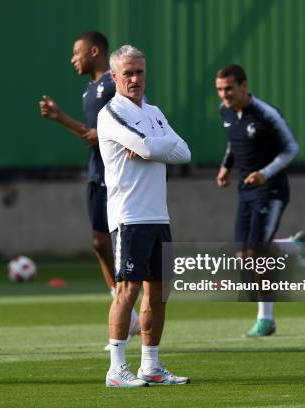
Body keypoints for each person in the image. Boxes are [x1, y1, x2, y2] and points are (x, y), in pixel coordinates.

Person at [98, 45, 191, 387]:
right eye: (128, 74)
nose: (135, 79)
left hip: (158, 216)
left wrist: (151, 144)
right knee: (127, 289)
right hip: (129, 215)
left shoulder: (153, 111)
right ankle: (116, 369)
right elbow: (159, 148)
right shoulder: (111, 113)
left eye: (139, 72)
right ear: (114, 77)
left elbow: (184, 151)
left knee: (159, 292)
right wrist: (155, 145)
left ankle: (150, 365)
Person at [39, 32, 140, 344]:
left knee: (121, 243)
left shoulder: (113, 84)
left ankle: (130, 307)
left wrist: (123, 137)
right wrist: (60, 118)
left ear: (94, 51)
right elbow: (91, 135)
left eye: (77, 52)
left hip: (115, 177)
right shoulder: (91, 90)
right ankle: (121, 302)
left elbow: (139, 110)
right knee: (99, 242)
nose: (73, 59)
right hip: (96, 173)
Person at [214, 64, 299, 337]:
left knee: (258, 255)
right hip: (245, 191)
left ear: (243, 86)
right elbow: (233, 140)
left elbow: (291, 148)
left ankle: (266, 320)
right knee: (243, 255)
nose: (224, 95)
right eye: (219, 89)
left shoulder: (265, 113)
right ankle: (294, 248)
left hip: (271, 190)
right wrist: (226, 166)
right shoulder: (224, 111)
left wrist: (265, 173)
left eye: (229, 88)